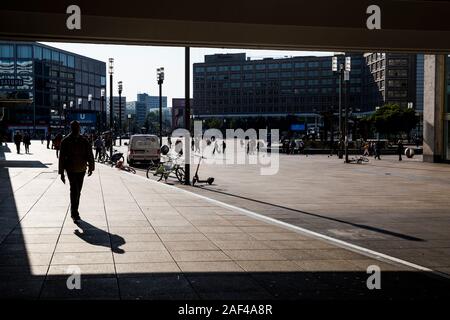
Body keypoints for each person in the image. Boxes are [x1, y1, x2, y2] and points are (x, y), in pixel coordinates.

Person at [59, 121, 95, 223]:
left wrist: (91, 167)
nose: (76, 129)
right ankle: (74, 213)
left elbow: (90, 154)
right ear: (71, 128)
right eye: (74, 127)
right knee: (74, 190)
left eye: (77, 127)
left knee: (78, 191)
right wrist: (61, 173)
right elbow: (61, 158)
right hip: (71, 169)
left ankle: (74, 211)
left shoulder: (84, 140)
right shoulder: (65, 141)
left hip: (81, 169)